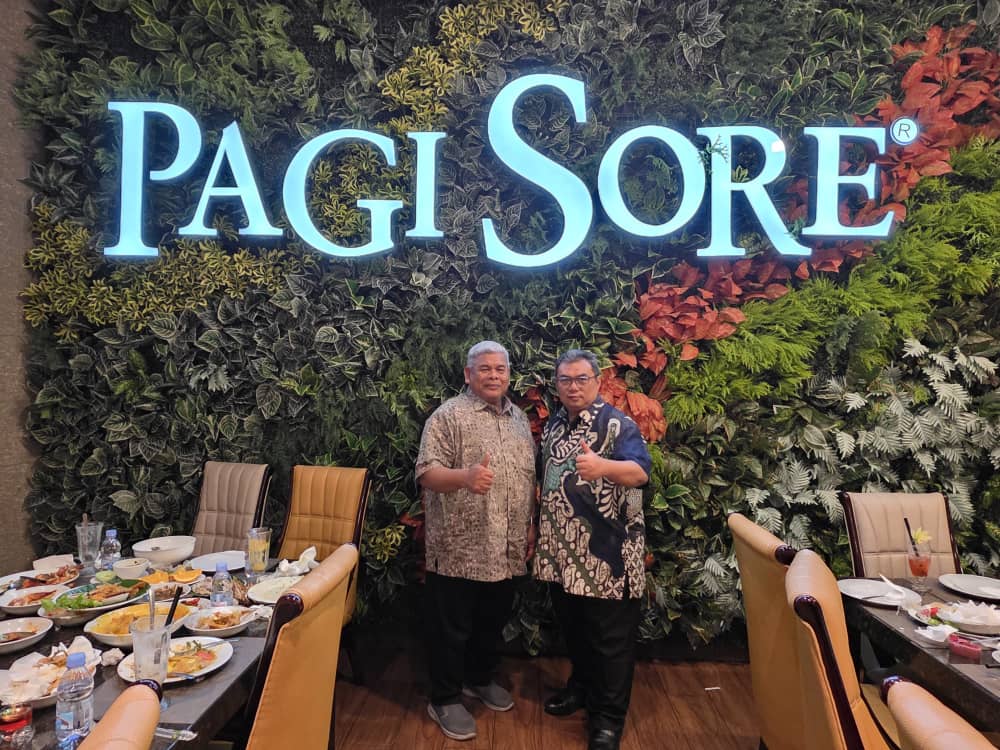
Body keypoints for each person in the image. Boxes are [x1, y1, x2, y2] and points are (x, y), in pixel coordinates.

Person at [416, 340, 536, 741]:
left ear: (508, 374)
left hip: (506, 547)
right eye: (485, 368)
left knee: (491, 622)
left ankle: (479, 678)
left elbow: (525, 478)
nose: (493, 375)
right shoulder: (448, 416)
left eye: (500, 369)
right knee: (451, 630)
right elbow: (426, 473)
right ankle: (444, 698)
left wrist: (529, 523)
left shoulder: (519, 420)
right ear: (469, 374)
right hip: (458, 549)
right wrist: (464, 477)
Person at [534, 349, 652, 750]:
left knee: (610, 642)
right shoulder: (555, 425)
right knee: (576, 632)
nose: (573, 386)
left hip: (608, 557)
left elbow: (640, 472)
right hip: (562, 557)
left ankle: (608, 720)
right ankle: (581, 689)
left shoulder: (618, 425)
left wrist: (604, 468)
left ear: (597, 382)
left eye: (581, 378)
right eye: (565, 379)